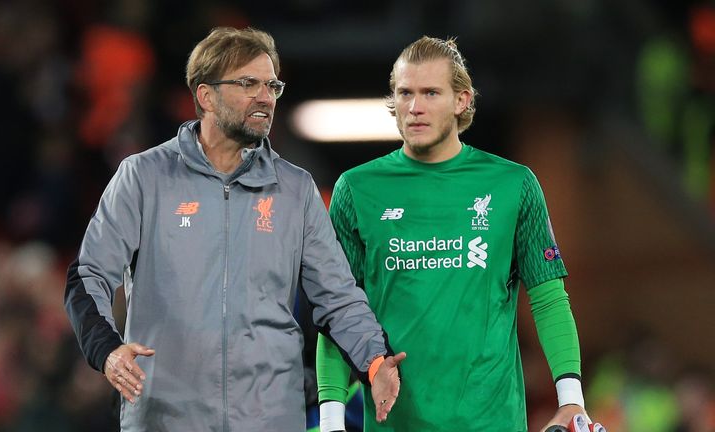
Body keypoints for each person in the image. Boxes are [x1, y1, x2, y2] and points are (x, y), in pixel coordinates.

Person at [64, 27, 406, 432]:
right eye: (249, 84)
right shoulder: (143, 177)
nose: (265, 97)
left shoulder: (296, 190)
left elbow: (339, 298)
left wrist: (376, 359)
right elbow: (88, 277)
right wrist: (107, 350)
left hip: (270, 418)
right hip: (165, 418)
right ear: (206, 96)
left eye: (272, 85)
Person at [315, 36, 593, 432]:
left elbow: (548, 298)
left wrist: (571, 401)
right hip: (395, 424)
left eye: (430, 92)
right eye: (404, 93)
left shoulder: (514, 185)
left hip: (491, 421)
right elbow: (339, 310)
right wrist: (330, 421)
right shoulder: (356, 190)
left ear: (462, 100)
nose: (415, 107)